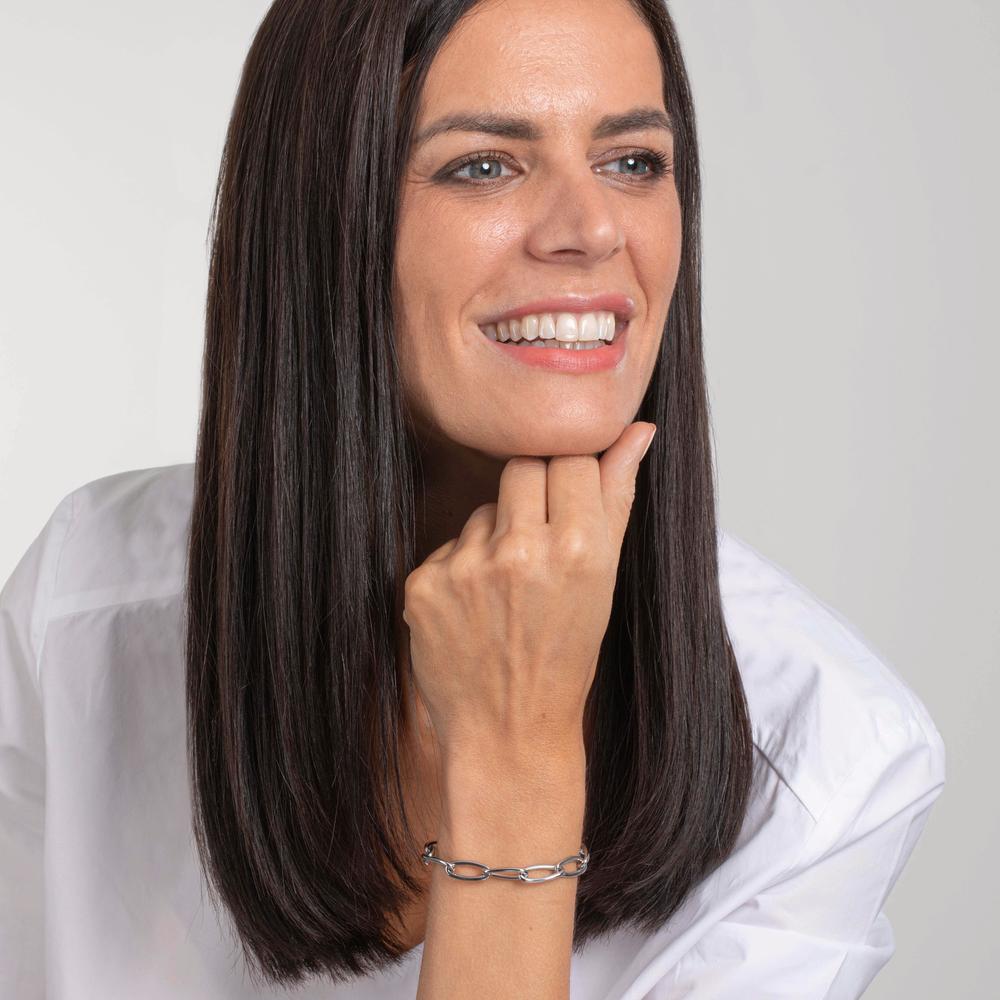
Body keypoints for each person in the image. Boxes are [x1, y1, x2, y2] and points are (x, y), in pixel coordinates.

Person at [0, 0, 946, 997]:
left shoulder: (827, 764)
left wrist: (515, 761)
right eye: (484, 165)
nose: (592, 230)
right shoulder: (83, 606)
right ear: (323, 217)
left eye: (633, 161)